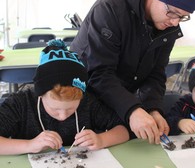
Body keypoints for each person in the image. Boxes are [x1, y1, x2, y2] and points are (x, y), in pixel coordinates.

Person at [70, 0, 195, 144]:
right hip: (81, 99)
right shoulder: (110, 9)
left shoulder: (168, 26)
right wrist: (132, 110)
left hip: (118, 99)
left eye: (183, 17)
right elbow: (98, 72)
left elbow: (156, 73)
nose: (175, 22)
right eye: (172, 12)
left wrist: (153, 108)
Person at [0, 39, 130, 155]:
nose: (62, 116)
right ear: (40, 95)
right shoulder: (20, 104)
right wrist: (30, 145)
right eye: (55, 109)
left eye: (70, 109)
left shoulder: (89, 102)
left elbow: (123, 129)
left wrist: (101, 139)